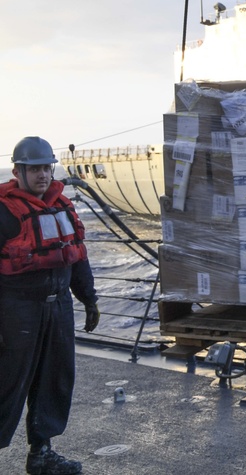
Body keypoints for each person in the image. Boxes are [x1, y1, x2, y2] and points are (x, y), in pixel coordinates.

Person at [0, 137, 99, 475]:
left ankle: (41, 453)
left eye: (46, 168)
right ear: (18, 171)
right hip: (16, 311)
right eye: (34, 169)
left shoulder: (63, 208)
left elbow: (77, 257)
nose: (42, 175)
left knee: (54, 381)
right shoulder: (2, 212)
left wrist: (89, 299)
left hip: (58, 309)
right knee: (7, 383)